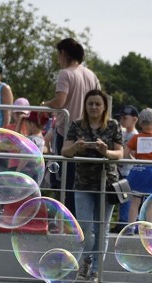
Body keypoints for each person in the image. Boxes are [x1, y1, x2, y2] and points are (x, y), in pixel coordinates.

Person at [61, 89, 123, 283]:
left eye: (97, 104)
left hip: (106, 183)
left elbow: (119, 153)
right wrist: (76, 148)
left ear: (104, 106)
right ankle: (87, 259)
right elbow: (65, 151)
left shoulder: (113, 125)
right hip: (83, 183)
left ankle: (96, 271)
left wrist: (106, 151)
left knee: (102, 229)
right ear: (85, 107)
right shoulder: (77, 125)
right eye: (90, 104)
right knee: (86, 227)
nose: (94, 107)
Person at [43, 37, 101, 212]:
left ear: (64, 53)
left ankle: (67, 220)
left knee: (64, 180)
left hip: (68, 132)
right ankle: (81, 218)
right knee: (83, 180)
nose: (58, 59)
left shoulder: (65, 74)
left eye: (58, 54)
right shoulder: (91, 75)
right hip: (90, 132)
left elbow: (60, 101)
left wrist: (44, 104)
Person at [115, 105, 139, 228]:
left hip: (128, 170)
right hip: (119, 170)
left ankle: (124, 222)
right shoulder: (122, 133)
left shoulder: (136, 136)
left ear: (134, 119)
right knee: (121, 198)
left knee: (126, 198)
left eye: (125, 118)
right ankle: (121, 221)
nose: (121, 120)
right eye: (121, 118)